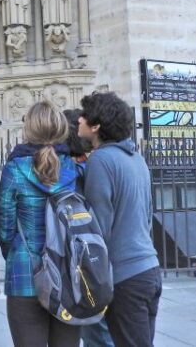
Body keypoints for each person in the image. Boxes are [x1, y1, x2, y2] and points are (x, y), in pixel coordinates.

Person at [78, 92, 161, 347]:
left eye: (84, 116)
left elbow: (99, 227)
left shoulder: (101, 160)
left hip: (125, 276)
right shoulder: (136, 158)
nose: (78, 119)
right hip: (149, 268)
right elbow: (147, 215)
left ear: (96, 126)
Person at [0, 102, 82, 347]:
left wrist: (13, 254)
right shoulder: (75, 169)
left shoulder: (14, 169)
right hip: (67, 272)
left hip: (25, 274)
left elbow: (4, 223)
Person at [65, 109, 114, 347]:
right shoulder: (91, 165)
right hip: (98, 259)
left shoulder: (78, 171)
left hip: (88, 260)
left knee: (97, 331)